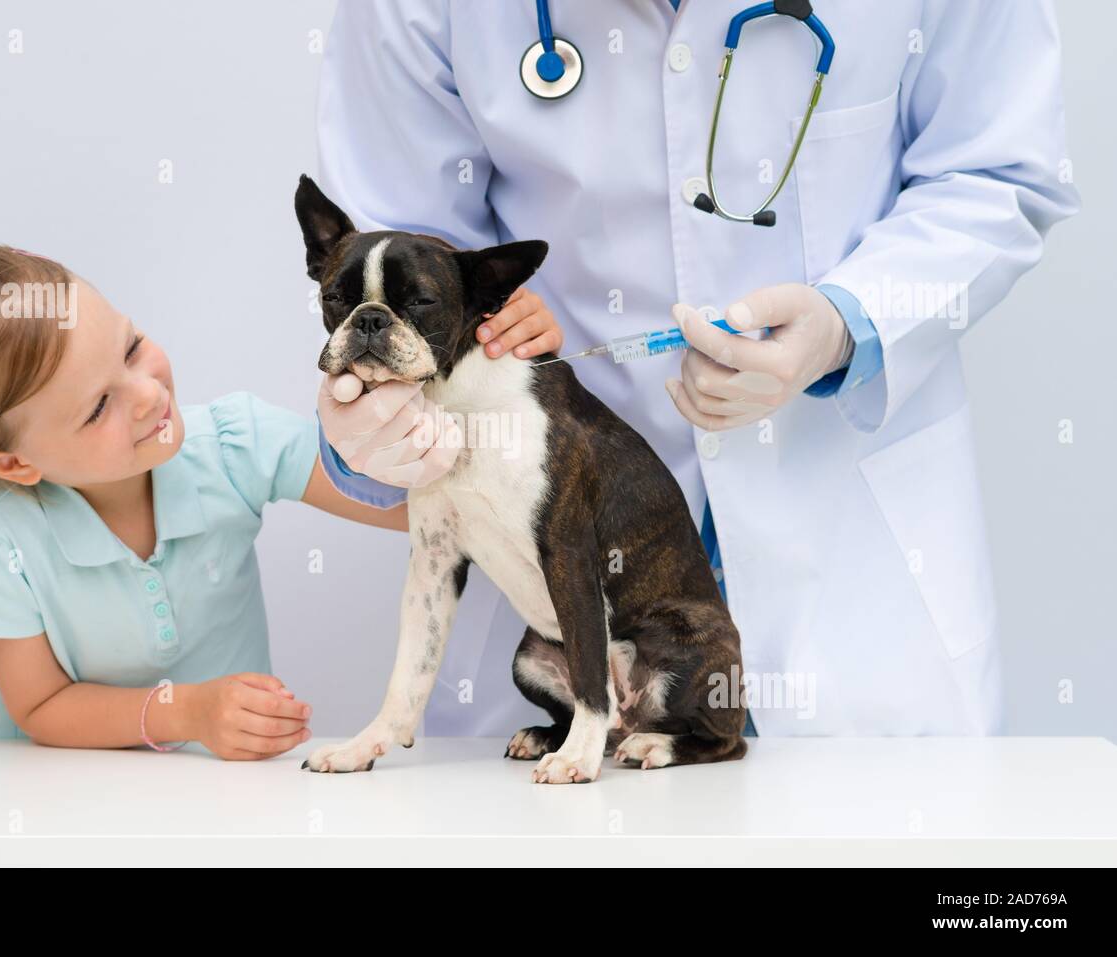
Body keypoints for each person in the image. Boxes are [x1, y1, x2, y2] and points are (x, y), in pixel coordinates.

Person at [312, 0, 1080, 736]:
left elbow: (997, 170)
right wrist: (379, 429)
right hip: (541, 592)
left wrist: (848, 321)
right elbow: (390, 266)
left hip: (855, 587)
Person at [0, 245, 563, 758]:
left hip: (215, 810)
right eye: (99, 405)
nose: (148, 394)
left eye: (131, 346)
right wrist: (183, 710)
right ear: (12, 461)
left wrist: (494, 373)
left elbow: (418, 507)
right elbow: (40, 706)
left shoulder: (233, 442)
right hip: (46, 813)